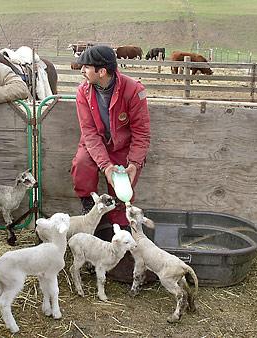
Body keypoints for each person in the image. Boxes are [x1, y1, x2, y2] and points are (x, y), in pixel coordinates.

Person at [71, 45, 152, 282]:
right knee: (82, 164)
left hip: (122, 145)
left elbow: (141, 133)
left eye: (87, 67)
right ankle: (89, 209)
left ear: (103, 71)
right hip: (95, 141)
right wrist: (104, 166)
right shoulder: (83, 92)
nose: (82, 70)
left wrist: (134, 163)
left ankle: (121, 235)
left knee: (122, 187)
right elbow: (88, 132)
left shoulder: (133, 90)